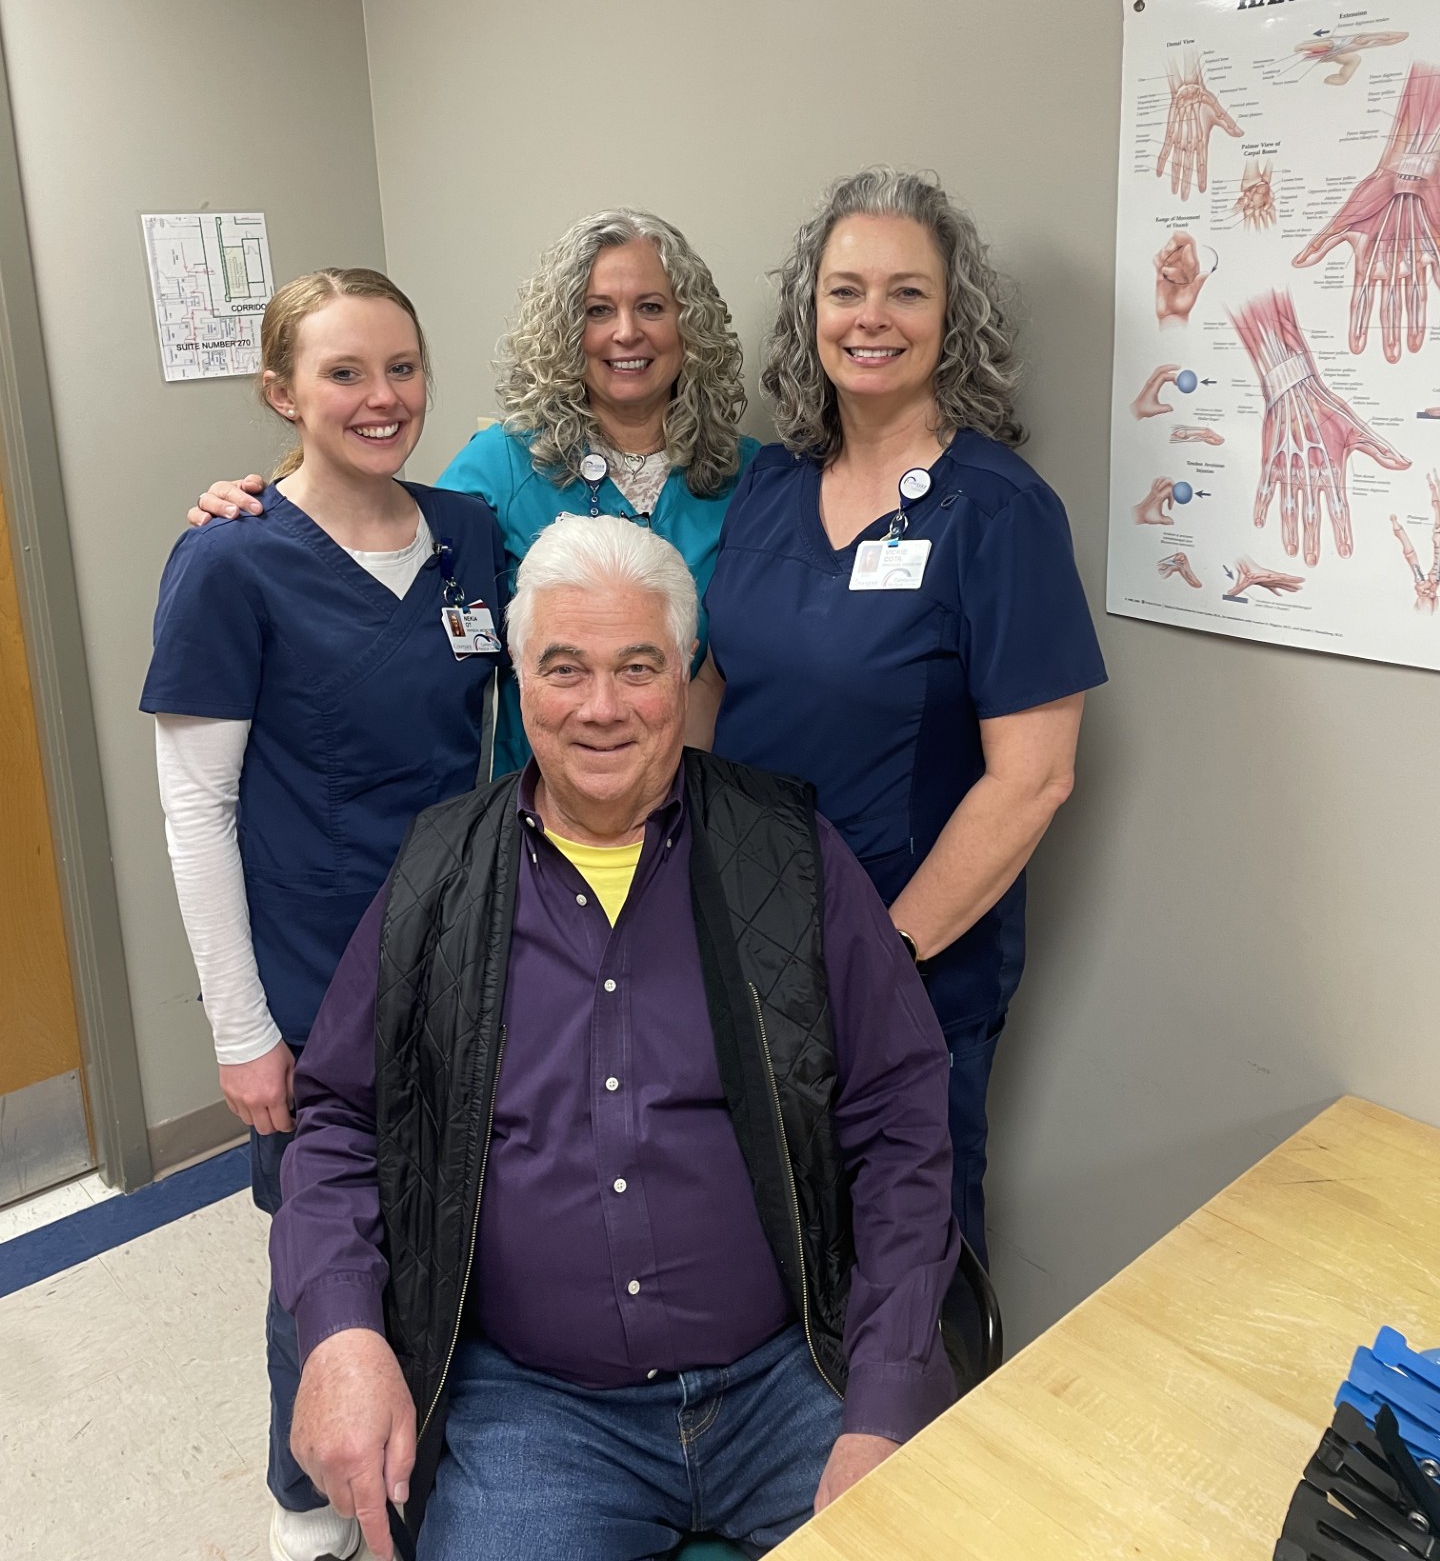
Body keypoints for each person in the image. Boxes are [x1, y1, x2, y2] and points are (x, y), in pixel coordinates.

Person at [271, 517, 960, 1561]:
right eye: (564, 669)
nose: (600, 708)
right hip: (541, 1413)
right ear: (521, 680)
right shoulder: (437, 874)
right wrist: (339, 1331)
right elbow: (338, 1122)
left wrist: (886, 1402)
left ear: (683, 678)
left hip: (795, 1379)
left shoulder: (791, 856)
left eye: (637, 667)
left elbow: (902, 1124)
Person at [140, 268, 505, 1561]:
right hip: (307, 971)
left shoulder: (469, 531)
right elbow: (196, 813)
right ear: (281, 393)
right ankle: (307, 1510)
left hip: (459, 953)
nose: (381, 397)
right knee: (324, 1245)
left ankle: (433, 1450)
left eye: (401, 368)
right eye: (344, 373)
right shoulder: (229, 561)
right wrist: (242, 1030)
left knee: (452, 1218)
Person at [688, 169, 1108, 1261]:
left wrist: (876, 957)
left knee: (907, 1268)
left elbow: (1035, 778)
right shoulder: (769, 487)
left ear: (951, 318)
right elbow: (713, 685)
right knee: (762, 1241)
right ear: (810, 311)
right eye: (846, 290)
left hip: (909, 964)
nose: (872, 318)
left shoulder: (1000, 512)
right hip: (742, 939)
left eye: (907, 293)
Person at [190, 210, 761, 774]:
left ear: (690, 324)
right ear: (565, 330)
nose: (627, 332)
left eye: (652, 307)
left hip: (702, 794)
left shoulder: (752, 479)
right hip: (542, 810)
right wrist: (271, 511)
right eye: (597, 311)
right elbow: (383, 556)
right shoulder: (500, 466)